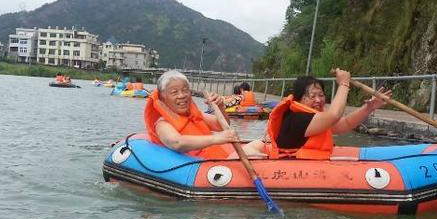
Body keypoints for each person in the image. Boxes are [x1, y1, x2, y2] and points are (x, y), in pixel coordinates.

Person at [264, 68, 392, 159]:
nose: (318, 100)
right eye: (312, 96)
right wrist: (344, 84)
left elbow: (345, 124)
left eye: (321, 95)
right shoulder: (298, 119)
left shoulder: (313, 118)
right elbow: (334, 115)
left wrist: (369, 107)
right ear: (299, 99)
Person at [144, 70, 241, 159]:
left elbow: (222, 126)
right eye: (174, 92)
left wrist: (220, 107)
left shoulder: (194, 115)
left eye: (185, 90)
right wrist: (216, 138)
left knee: (255, 146)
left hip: (221, 162)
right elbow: (178, 143)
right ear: (163, 98)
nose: (182, 95)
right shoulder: (162, 124)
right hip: (203, 168)